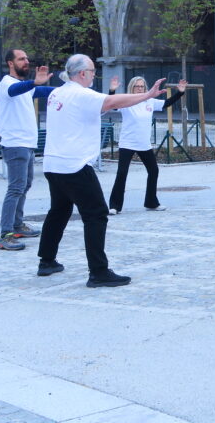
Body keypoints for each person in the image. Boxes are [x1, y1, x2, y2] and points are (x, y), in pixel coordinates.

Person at [35, 54, 166, 287]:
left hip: (54, 164)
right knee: (96, 214)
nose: (95, 75)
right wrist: (146, 95)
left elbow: (96, 109)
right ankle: (98, 271)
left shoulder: (58, 92)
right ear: (82, 73)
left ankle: (46, 261)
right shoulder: (81, 93)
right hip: (74, 166)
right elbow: (112, 102)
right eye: (93, 71)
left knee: (58, 211)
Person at [0, 49, 55, 251]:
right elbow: (16, 91)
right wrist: (34, 83)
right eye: (21, 59)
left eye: (27, 58)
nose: (26, 61)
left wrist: (70, 89)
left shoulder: (25, 87)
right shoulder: (7, 85)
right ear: (10, 63)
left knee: (25, 185)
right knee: (15, 188)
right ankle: (5, 234)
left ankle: (17, 225)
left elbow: (46, 92)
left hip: (27, 144)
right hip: (15, 145)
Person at [106, 76, 187, 215]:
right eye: (137, 86)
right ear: (132, 87)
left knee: (153, 170)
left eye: (142, 86)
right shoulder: (126, 100)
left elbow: (167, 103)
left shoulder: (150, 101)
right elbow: (112, 105)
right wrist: (112, 91)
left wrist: (180, 92)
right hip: (128, 143)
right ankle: (114, 206)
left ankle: (151, 203)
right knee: (122, 173)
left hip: (144, 144)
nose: (139, 89)